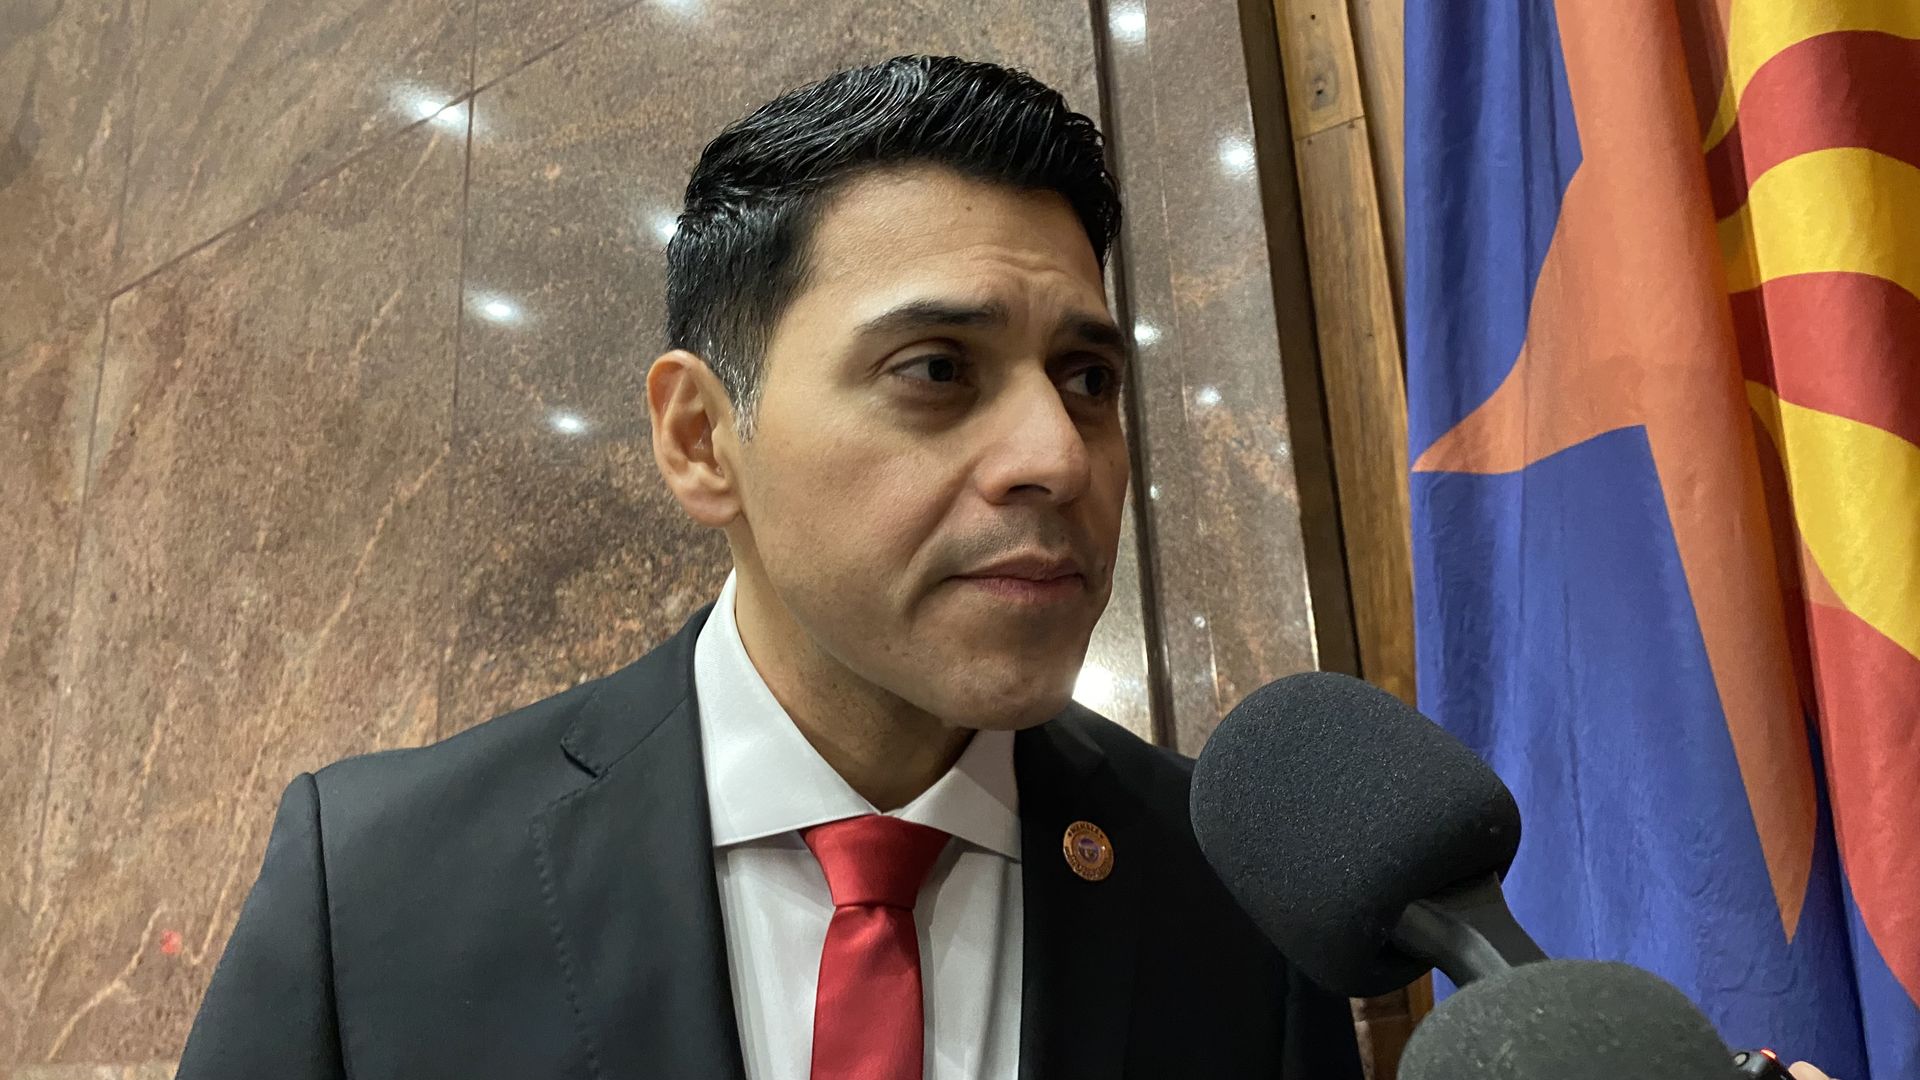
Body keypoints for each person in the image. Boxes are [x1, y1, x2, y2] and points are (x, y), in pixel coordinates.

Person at [173, 54, 1365, 1080]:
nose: (1057, 456)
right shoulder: (376, 885)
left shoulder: (1237, 900)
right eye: (937, 369)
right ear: (701, 439)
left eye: (1088, 379)